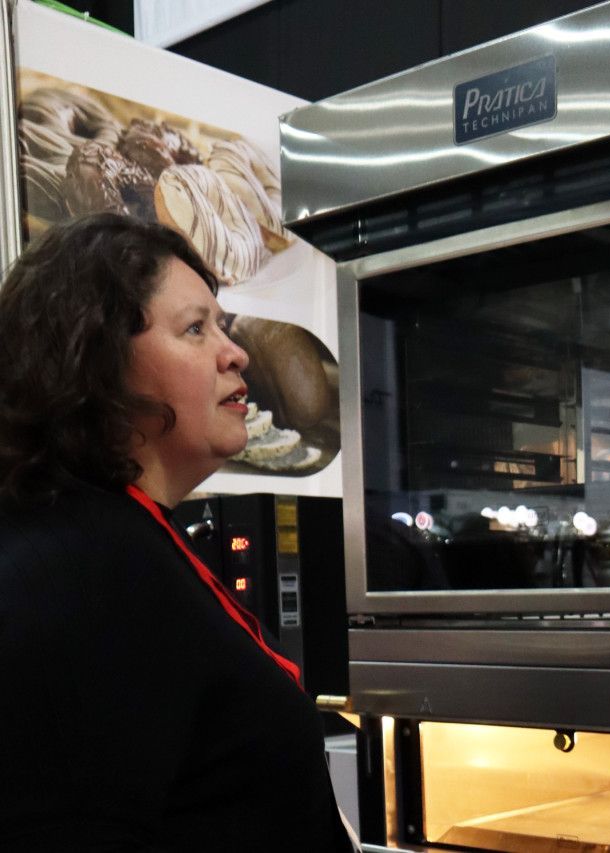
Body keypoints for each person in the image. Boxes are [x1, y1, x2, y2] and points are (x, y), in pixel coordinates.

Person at [0, 213, 355, 851]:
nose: (236, 352)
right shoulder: (77, 570)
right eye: (195, 328)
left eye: (221, 324)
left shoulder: (128, 535)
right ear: (96, 361)